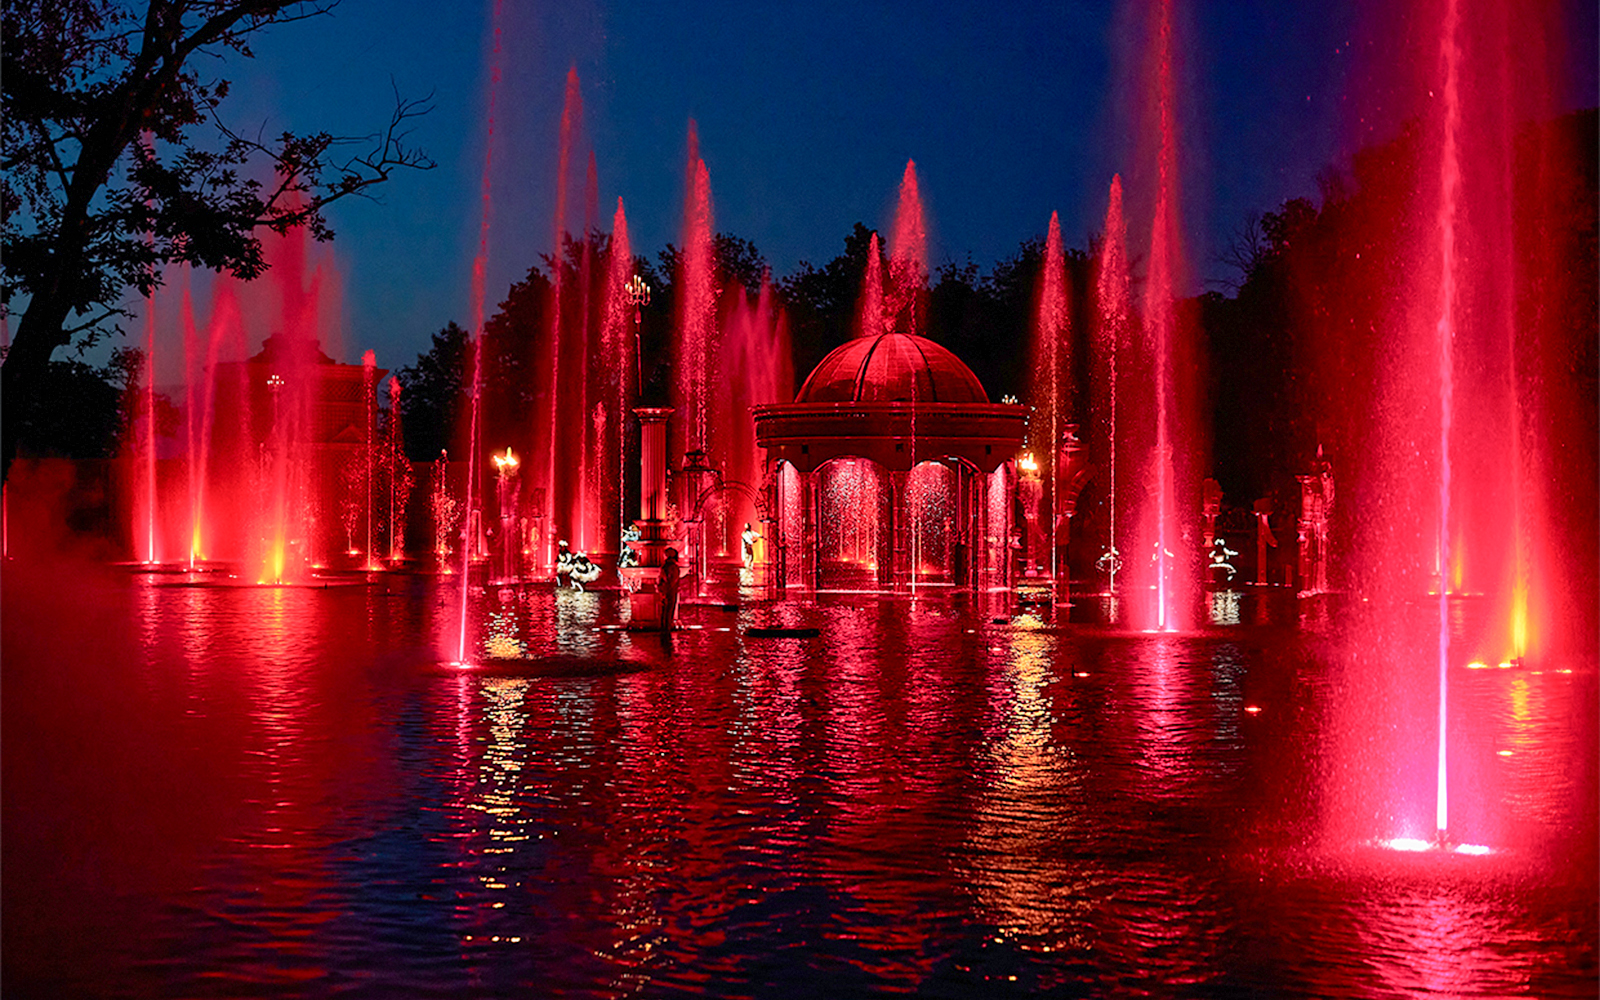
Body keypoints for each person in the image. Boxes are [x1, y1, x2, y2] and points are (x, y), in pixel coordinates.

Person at [658, 547, 681, 639]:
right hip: (670, 590)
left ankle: (664, 626)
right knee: (669, 608)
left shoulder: (666, 566)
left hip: (665, 589)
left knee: (665, 609)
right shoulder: (672, 566)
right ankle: (667, 627)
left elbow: (663, 578)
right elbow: (672, 580)